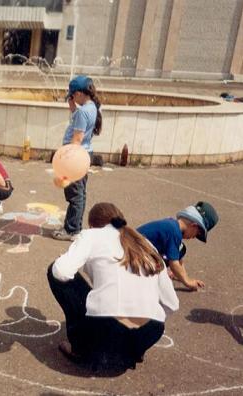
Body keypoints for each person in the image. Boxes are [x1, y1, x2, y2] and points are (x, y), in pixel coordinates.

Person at [47, 202, 179, 370]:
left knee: (54, 269)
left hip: (106, 325)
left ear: (92, 224)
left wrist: (64, 258)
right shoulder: (145, 243)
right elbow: (172, 304)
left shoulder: (91, 235)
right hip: (151, 330)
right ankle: (132, 349)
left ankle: (79, 348)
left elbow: (61, 272)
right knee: (122, 313)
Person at [52, 75, 102, 241]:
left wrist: (66, 161)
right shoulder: (92, 107)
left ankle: (72, 230)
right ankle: (75, 227)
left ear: (80, 93)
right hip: (84, 155)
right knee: (79, 193)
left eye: (73, 95)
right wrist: (71, 104)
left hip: (75, 157)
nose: (73, 98)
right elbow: (79, 119)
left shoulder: (83, 112)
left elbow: (77, 139)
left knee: (74, 195)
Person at [138, 202, 219, 291]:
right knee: (163, 262)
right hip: (134, 254)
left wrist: (183, 276)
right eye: (197, 234)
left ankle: (157, 271)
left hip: (139, 250)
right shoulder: (174, 232)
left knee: (181, 249)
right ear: (194, 226)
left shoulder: (172, 224)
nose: (193, 237)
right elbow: (174, 263)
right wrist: (188, 282)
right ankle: (149, 274)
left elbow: (178, 259)